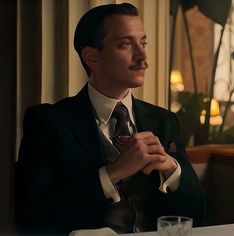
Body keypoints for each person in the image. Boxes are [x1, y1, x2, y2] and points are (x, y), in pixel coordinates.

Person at [15, 3, 209, 235]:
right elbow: (32, 219)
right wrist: (113, 172)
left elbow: (201, 215)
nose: (143, 57)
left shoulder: (164, 120)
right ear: (92, 57)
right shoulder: (48, 122)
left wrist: (171, 169)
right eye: (126, 44)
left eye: (143, 43)